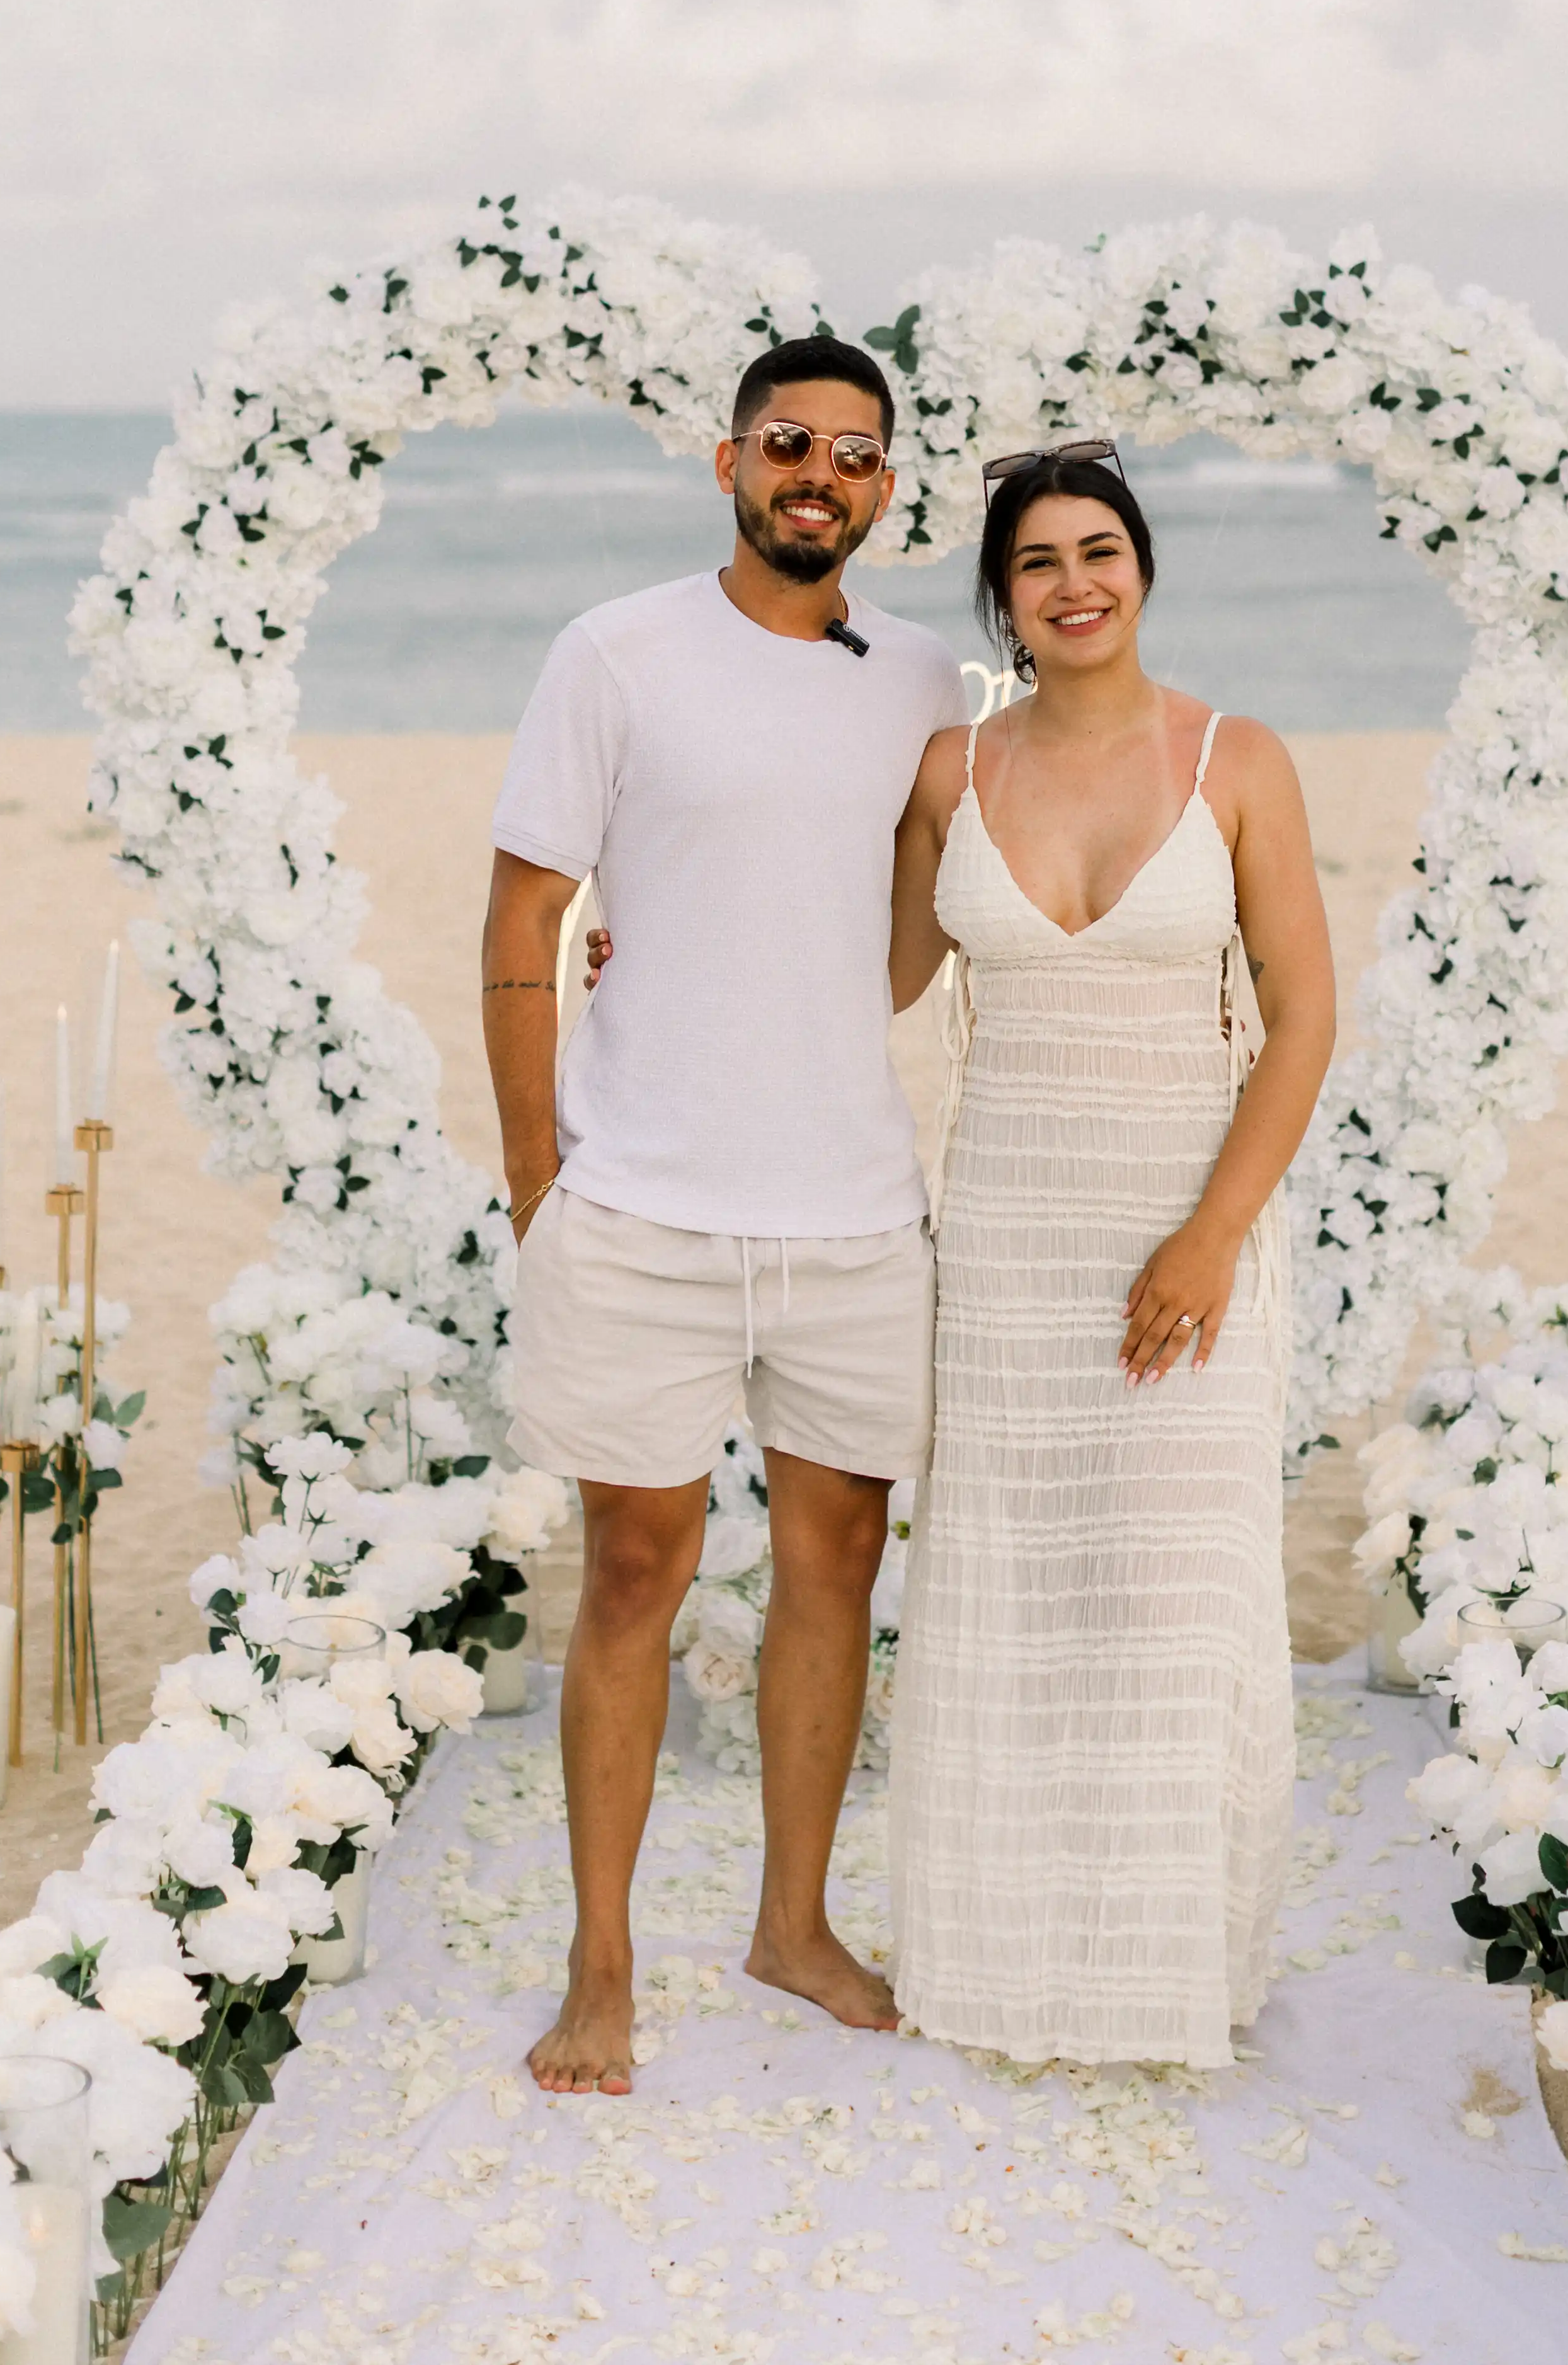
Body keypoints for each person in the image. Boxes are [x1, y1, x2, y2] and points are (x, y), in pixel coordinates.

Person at [481, 335, 968, 2096]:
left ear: (886, 488)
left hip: (849, 1205)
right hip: (645, 1204)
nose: (815, 474)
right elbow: (520, 922)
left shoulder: (925, 679)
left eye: (852, 451)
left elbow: (900, 953)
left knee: (838, 1565)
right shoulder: (611, 651)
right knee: (634, 1568)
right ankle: (599, 1960)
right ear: (728, 462)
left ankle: (791, 1923)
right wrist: (544, 1176)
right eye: (787, 443)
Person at [883, 444, 1335, 2067]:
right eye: (1037, 562)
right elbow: (864, 975)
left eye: (1101, 550)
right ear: (999, 596)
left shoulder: (1237, 759)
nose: (1075, 583)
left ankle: (1165, 1970)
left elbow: (1305, 1021)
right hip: (1006, 1229)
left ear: (1143, 568)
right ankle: (1009, 1958)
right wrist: (638, 923)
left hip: (1190, 1225)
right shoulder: (952, 772)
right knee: (1016, 1584)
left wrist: (1213, 1240)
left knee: (1167, 1589)